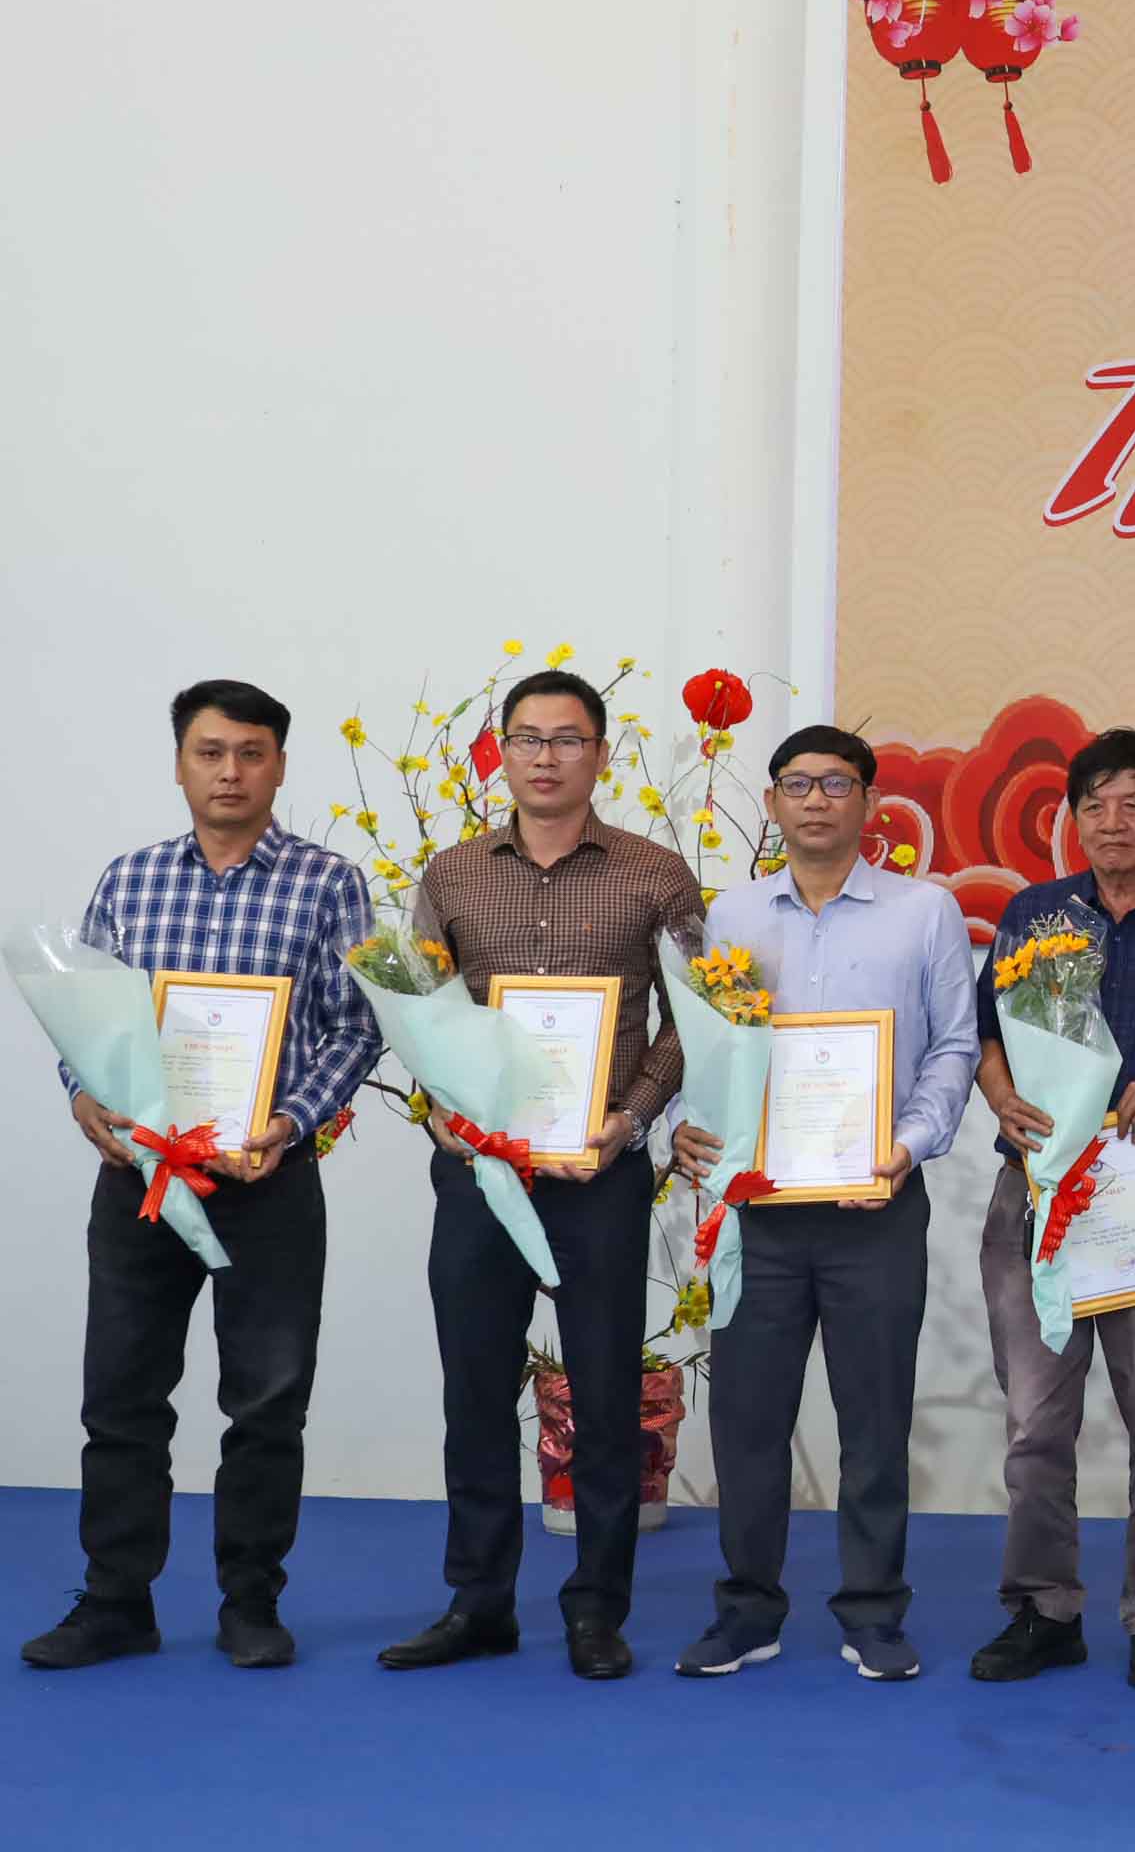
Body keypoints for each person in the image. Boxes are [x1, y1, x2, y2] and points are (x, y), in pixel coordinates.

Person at [24, 681, 382, 1672]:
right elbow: (86, 1017)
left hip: (266, 1178)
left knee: (267, 1400)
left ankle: (250, 1602)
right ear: (180, 762)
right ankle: (114, 1600)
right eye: (211, 751)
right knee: (122, 1396)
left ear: (279, 764)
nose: (231, 771)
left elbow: (359, 1023)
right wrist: (84, 1093)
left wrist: (289, 1120)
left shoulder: (328, 883)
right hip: (141, 1177)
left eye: (252, 752)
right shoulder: (129, 879)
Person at [382, 669, 700, 1682]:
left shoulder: (657, 872)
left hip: (599, 1169)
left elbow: (695, 1018)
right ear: (502, 752)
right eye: (528, 737)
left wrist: (630, 1120)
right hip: (481, 1173)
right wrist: (447, 1112)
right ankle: (478, 1602)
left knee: (604, 1393)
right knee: (475, 1389)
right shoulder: (453, 873)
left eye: (569, 738)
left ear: (599, 753)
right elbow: (419, 1010)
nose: (547, 755)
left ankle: (596, 1609)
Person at [673, 725, 978, 1682]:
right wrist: (686, 1124)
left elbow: (954, 1050)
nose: (814, 800)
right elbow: (710, 1052)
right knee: (748, 1421)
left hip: (875, 1205)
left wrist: (908, 1146)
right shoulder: (731, 915)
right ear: (772, 804)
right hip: (760, 1211)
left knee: (874, 1418)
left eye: (835, 783)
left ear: (867, 802)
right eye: (796, 784)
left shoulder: (924, 913)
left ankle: (874, 1610)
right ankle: (747, 1608)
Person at [970, 728, 1135, 1690]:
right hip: (1038, 1191)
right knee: (1035, 1418)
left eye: (1134, 803)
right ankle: (1043, 1612)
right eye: (1095, 805)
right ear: (1070, 820)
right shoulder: (1033, 913)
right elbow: (984, 1035)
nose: (1113, 821)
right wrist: (1001, 1096)